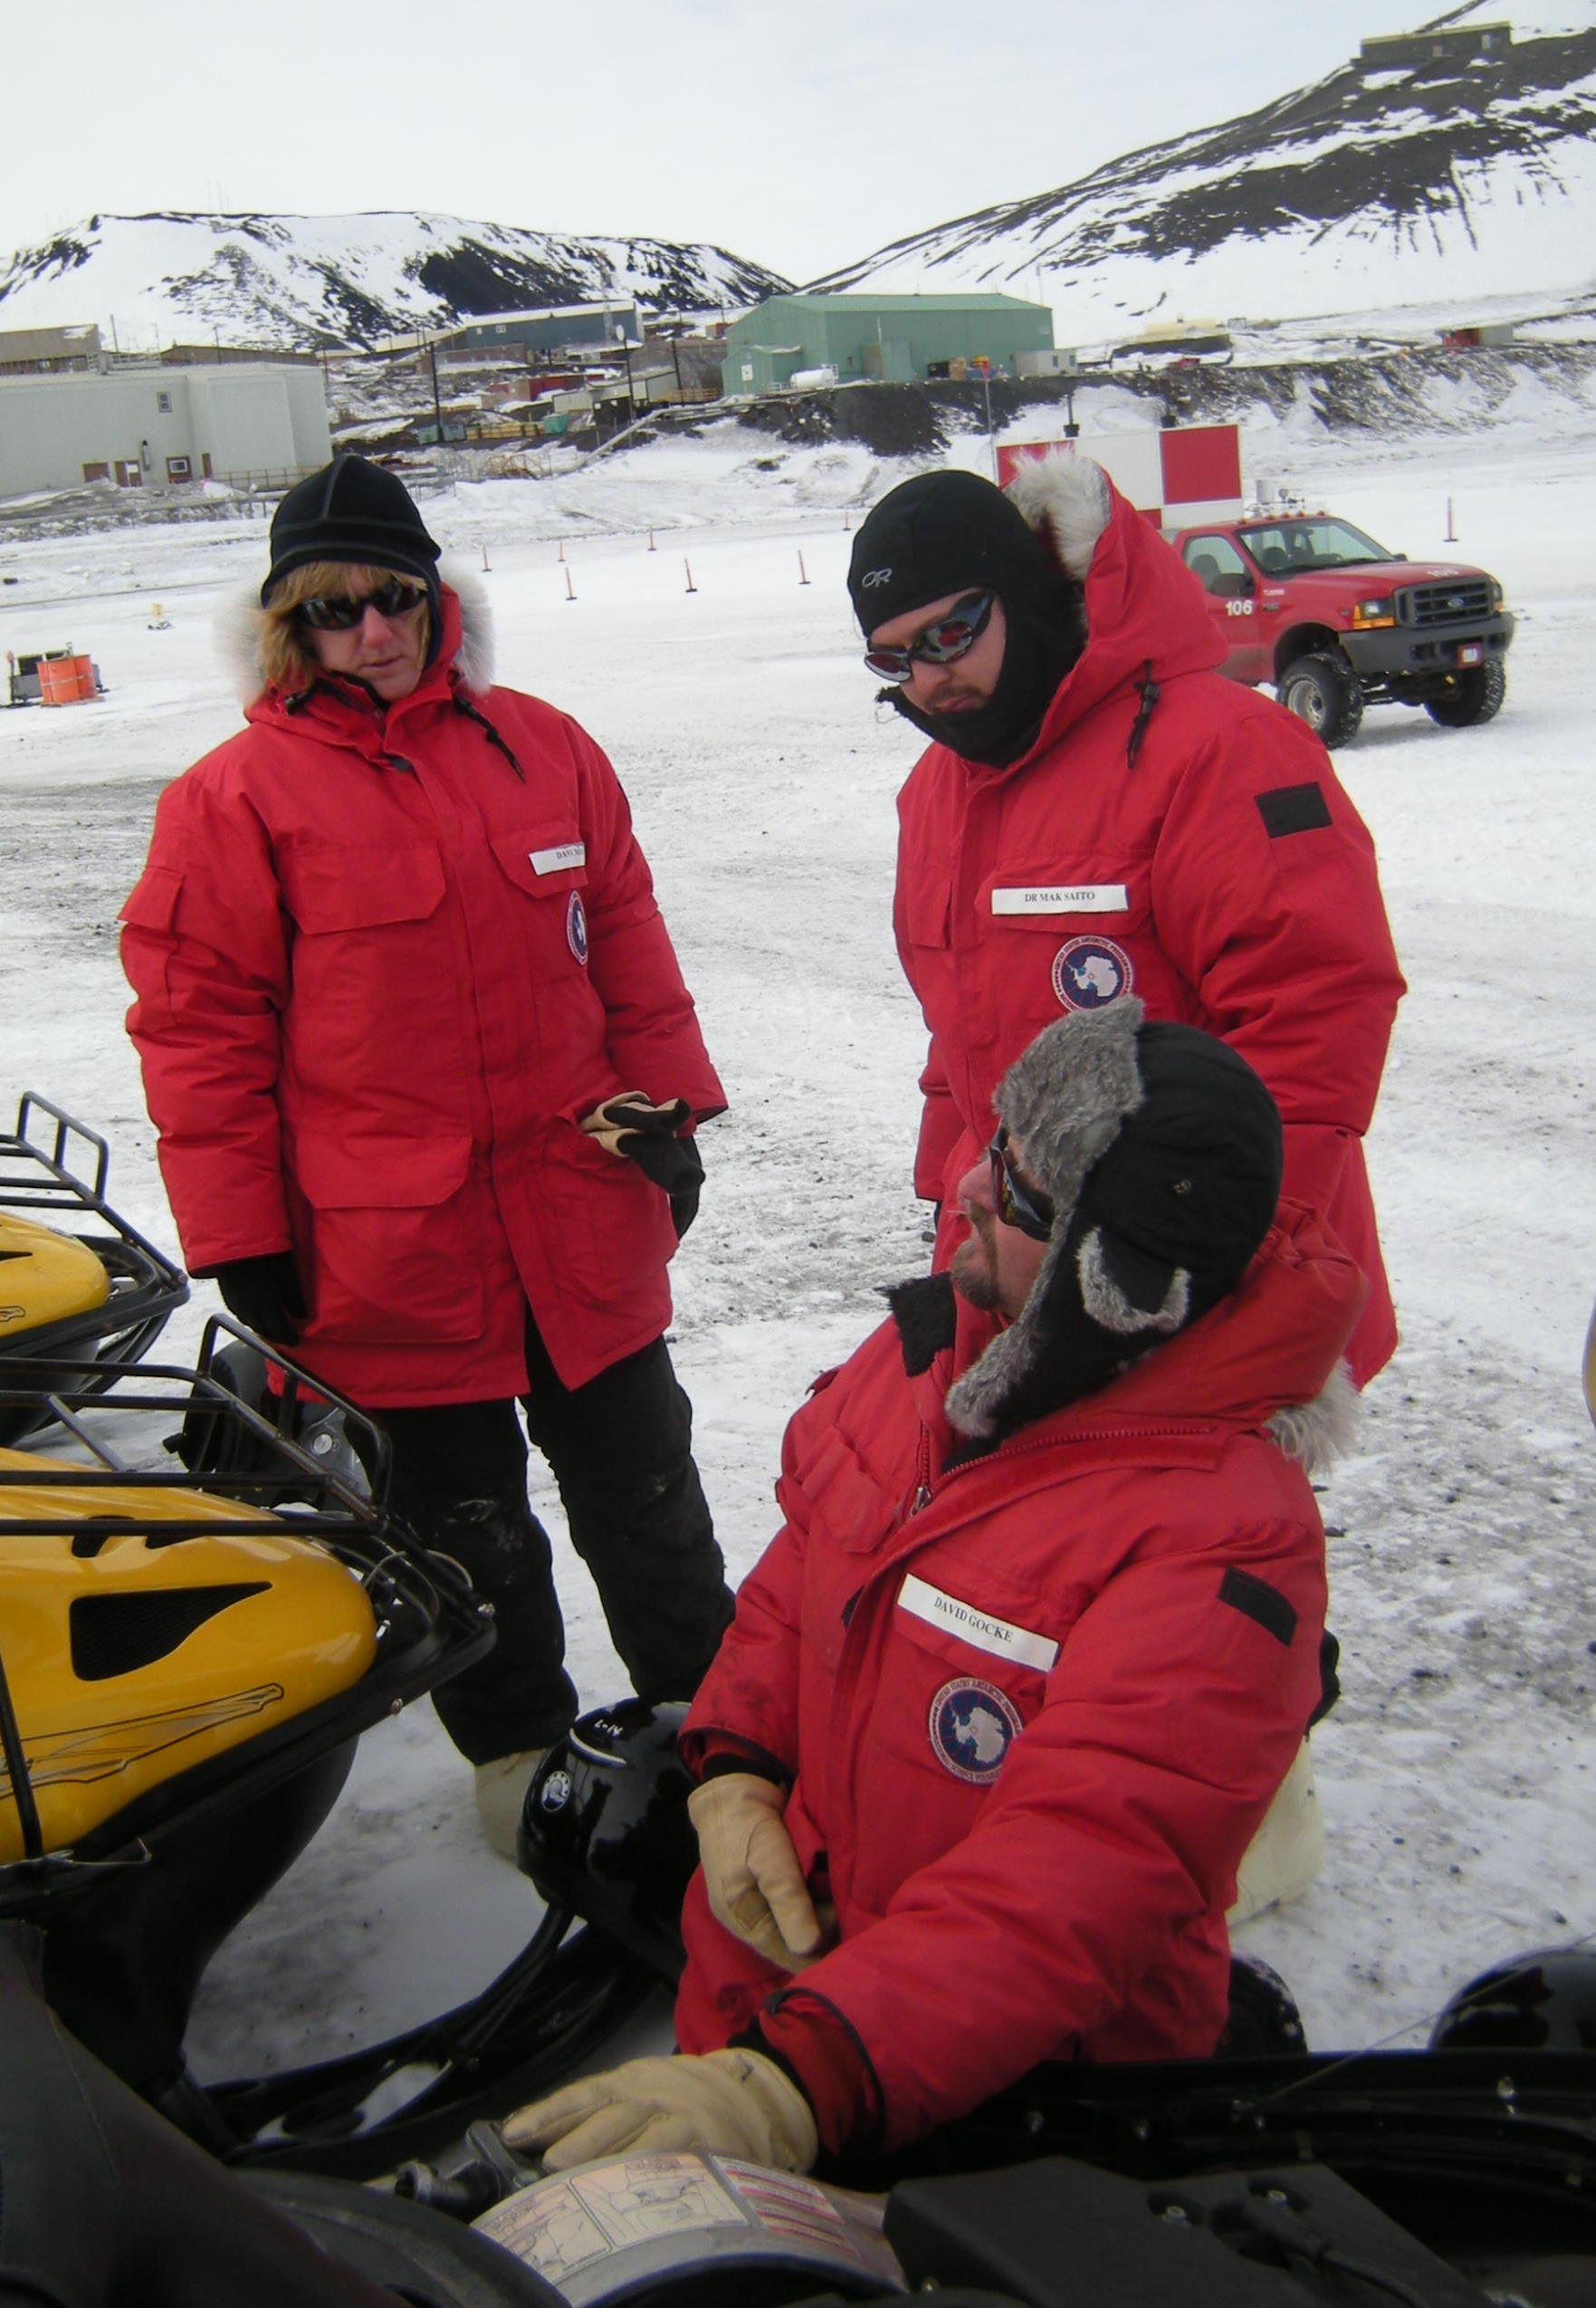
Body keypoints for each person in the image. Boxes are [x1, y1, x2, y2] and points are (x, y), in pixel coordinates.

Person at [503, 1000, 1363, 2175]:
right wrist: (735, 1773)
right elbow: (791, 1582)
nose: (962, 1187)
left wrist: (796, 2084)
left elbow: (1077, 1883)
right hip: (770, 2016)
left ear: (1108, 1280)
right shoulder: (929, 1351)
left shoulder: (1221, 1546)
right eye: (988, 1140)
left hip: (998, 2119)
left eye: (1014, 1192)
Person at [120, 454, 733, 1853]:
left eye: (393, 597)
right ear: (290, 629)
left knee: (649, 1500)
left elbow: (628, 948)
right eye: (333, 611)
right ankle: (521, 1761)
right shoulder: (233, 801)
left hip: (579, 1220)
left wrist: (671, 1111)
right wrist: (242, 1238)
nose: (373, 634)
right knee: (472, 1534)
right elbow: (197, 1031)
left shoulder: (548, 747)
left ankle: (723, 1727)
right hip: (388, 1256)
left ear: (436, 598)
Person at [847, 459, 1405, 1390]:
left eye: (950, 631)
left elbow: (1314, 1029)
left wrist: (1173, 1259)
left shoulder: (1222, 748)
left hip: (1191, 1275)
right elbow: (961, 1045)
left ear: (1023, 596)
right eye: (894, 657)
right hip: (1020, 1268)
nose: (929, 678)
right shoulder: (935, 793)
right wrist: (953, 1219)